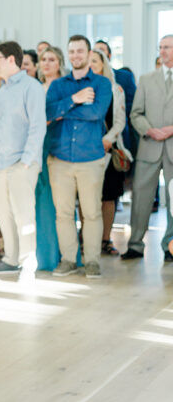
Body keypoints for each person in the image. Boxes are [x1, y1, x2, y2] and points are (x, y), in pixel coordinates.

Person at [46, 34, 112, 278]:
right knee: (63, 213)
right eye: (72, 51)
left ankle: (92, 260)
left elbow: (96, 113)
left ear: (89, 54)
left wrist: (66, 109)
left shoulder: (102, 84)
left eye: (80, 51)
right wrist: (75, 99)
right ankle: (68, 260)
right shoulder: (57, 85)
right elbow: (49, 112)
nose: (76, 56)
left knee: (92, 212)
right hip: (60, 159)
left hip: (90, 160)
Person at [0, 42, 46, 277]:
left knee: (23, 214)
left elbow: (38, 127)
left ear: (11, 60)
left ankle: (28, 262)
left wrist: (27, 162)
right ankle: (10, 259)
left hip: (23, 162)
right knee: (4, 212)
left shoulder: (32, 87)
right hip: (1, 162)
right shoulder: (2, 91)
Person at [122, 34, 173, 261]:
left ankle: (170, 246)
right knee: (141, 199)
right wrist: (151, 130)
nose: (162, 51)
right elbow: (135, 113)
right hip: (149, 146)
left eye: (168, 47)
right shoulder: (146, 79)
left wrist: (171, 129)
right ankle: (135, 244)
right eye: (160, 47)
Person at [89, 48, 127, 257]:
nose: (92, 65)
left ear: (103, 64)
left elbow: (120, 121)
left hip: (108, 149)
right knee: (86, 197)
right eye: (89, 61)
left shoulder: (115, 89)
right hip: (86, 151)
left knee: (108, 197)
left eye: (95, 61)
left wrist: (107, 140)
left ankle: (105, 239)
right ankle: (87, 241)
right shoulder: (82, 88)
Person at [35, 45, 67, 271]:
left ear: (59, 63)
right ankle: (41, 256)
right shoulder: (35, 87)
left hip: (57, 144)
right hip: (37, 145)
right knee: (39, 201)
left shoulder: (64, 88)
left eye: (52, 60)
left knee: (57, 203)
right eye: (43, 59)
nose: (47, 63)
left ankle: (60, 254)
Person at [94, 39, 137, 156]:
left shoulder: (121, 82)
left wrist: (109, 137)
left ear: (108, 56)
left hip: (115, 138)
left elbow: (131, 106)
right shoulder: (81, 86)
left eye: (101, 50)